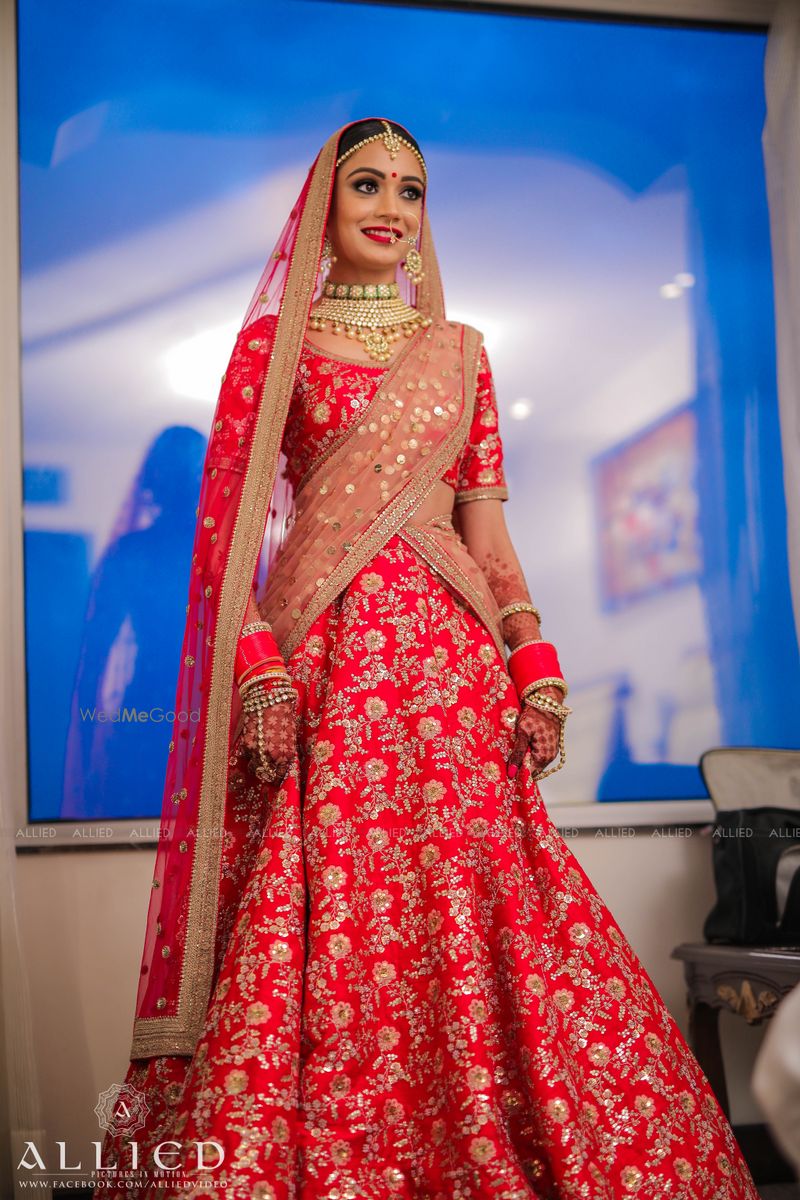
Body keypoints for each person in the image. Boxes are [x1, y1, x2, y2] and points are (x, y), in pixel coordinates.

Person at [96, 118, 760, 1199]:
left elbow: (484, 536)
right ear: (324, 203)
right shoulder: (276, 347)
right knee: (326, 915)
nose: (391, 207)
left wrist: (531, 659)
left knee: (486, 898)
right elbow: (225, 539)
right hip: (328, 674)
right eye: (368, 183)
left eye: (411, 190)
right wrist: (260, 665)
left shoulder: (460, 354)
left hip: (450, 676)